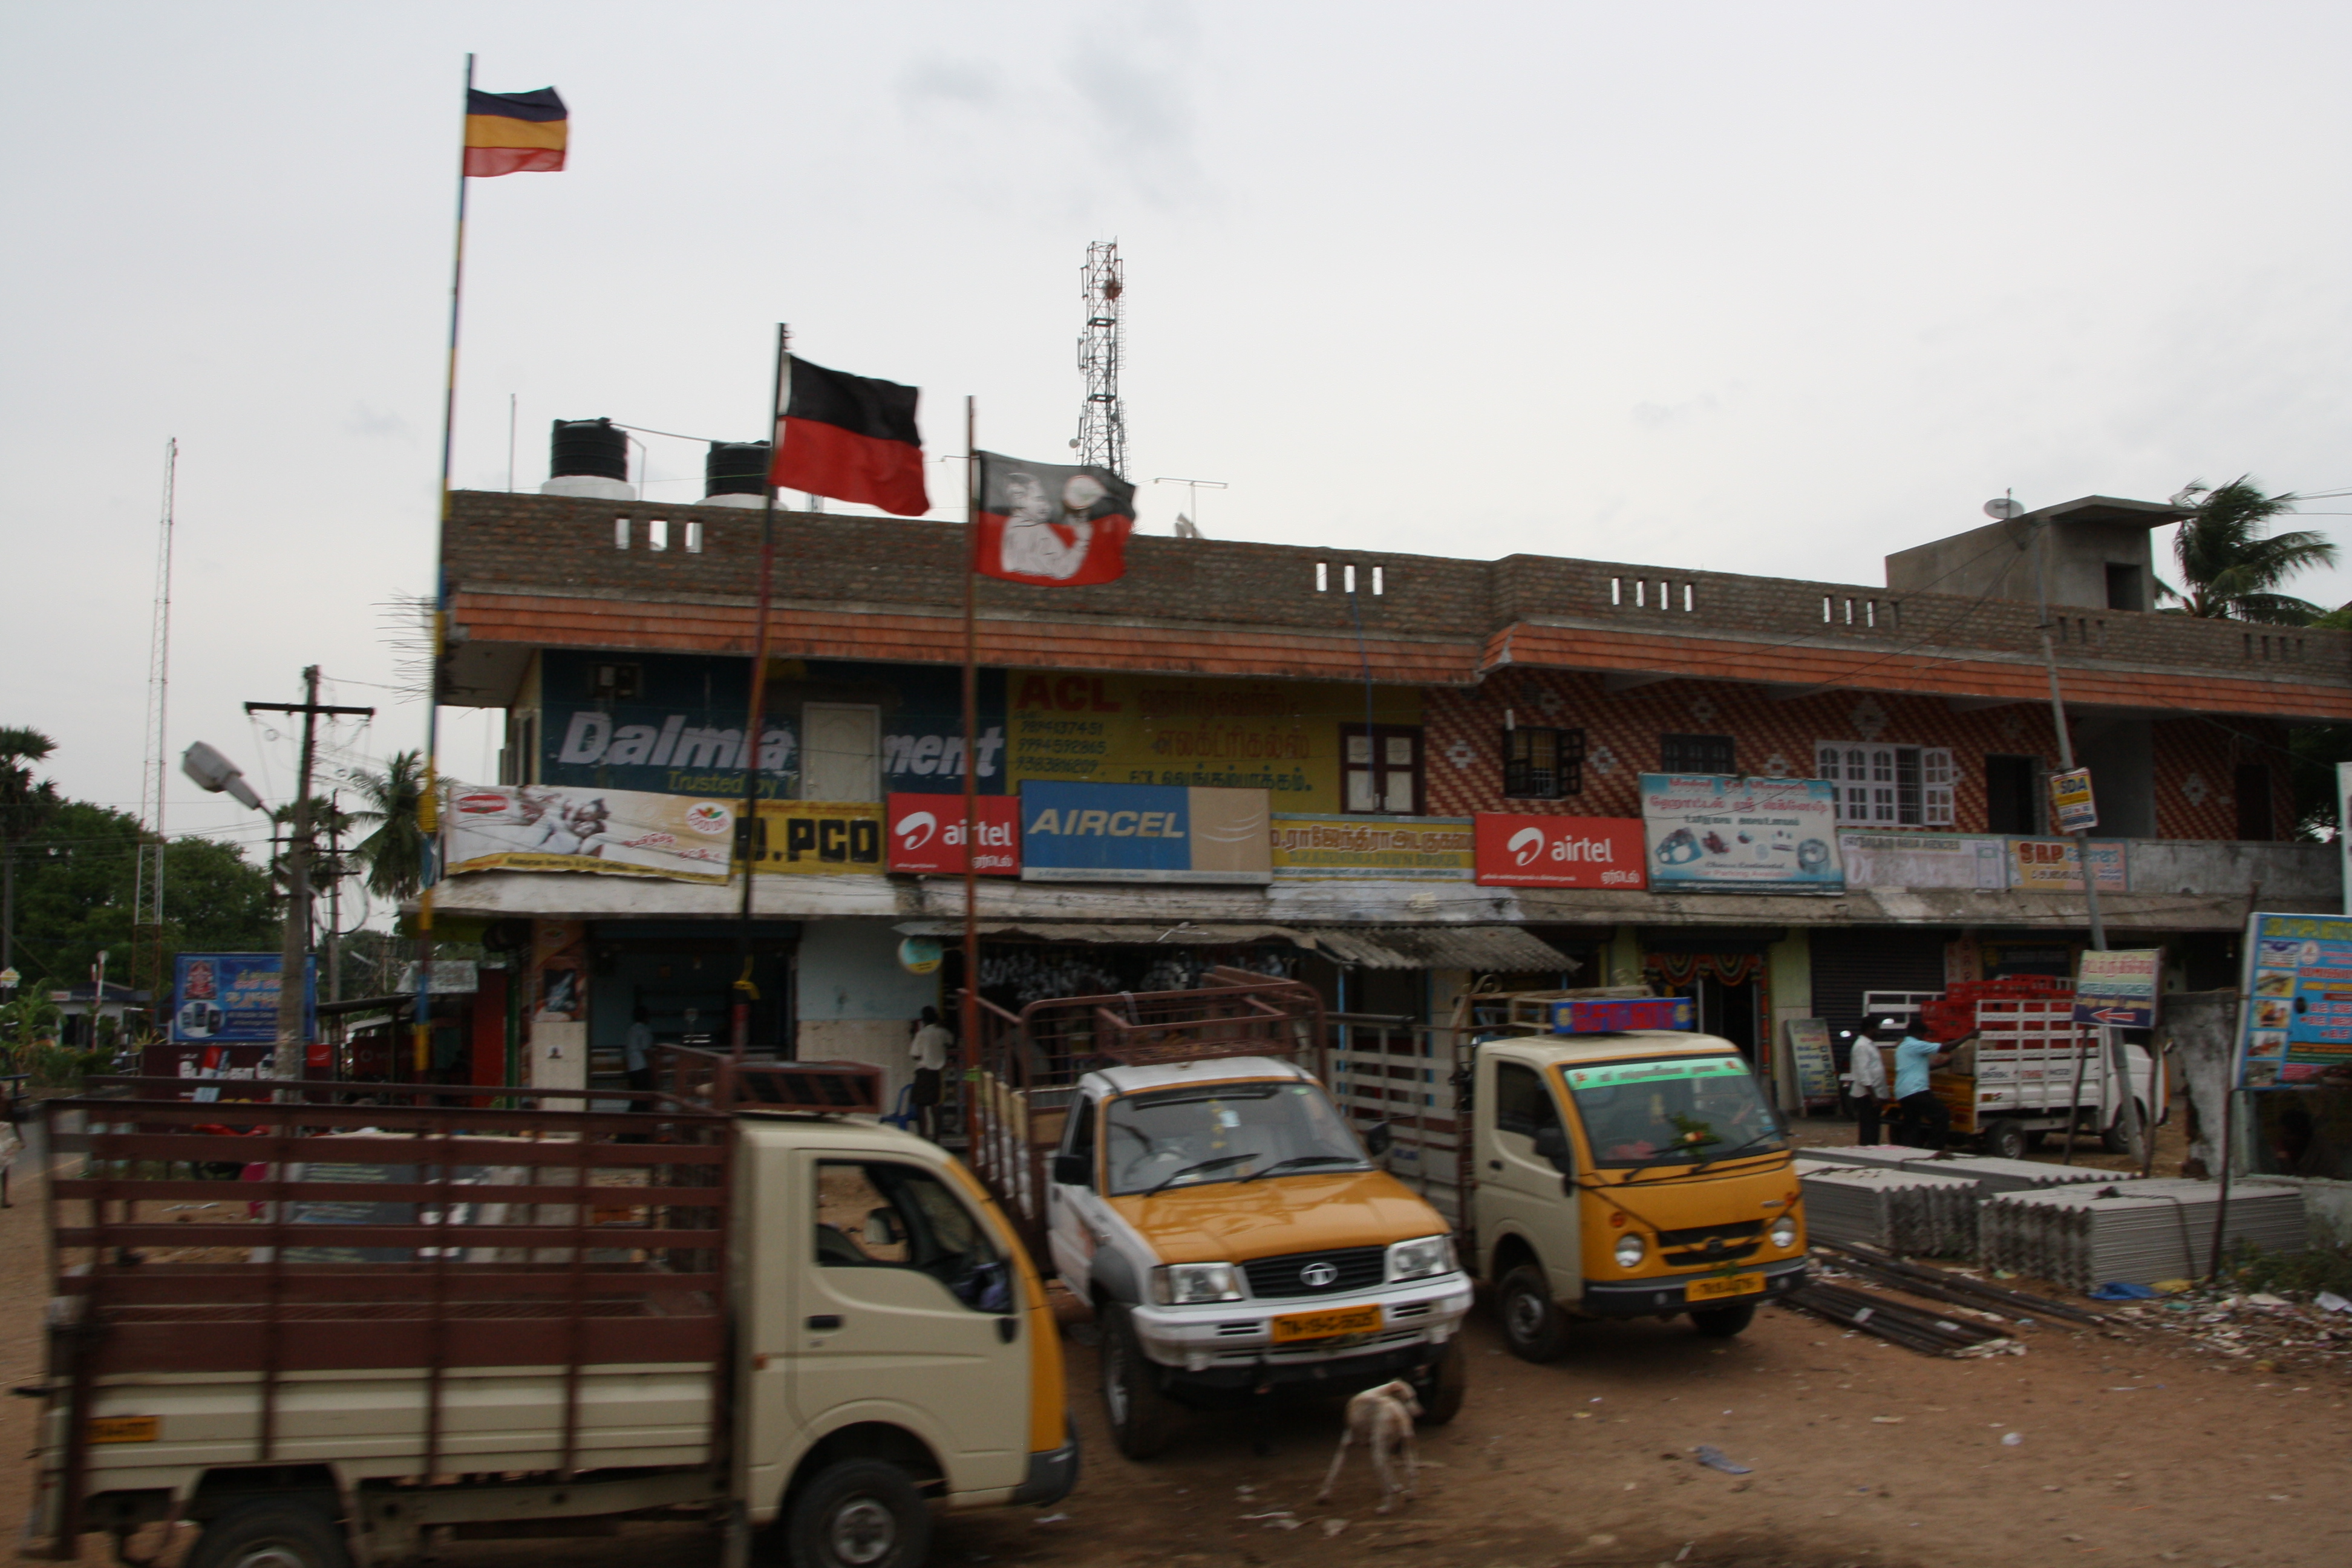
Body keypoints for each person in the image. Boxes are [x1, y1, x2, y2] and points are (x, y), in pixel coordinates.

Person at [1889, 1027, 1955, 1150]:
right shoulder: (1916, 1045)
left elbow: (1920, 1067)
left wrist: (1944, 1064)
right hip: (1916, 1090)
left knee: (1912, 1123)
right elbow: (1946, 1047)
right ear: (1918, 1033)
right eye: (1924, 1035)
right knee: (1942, 1115)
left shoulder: (1903, 1047)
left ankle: (1909, 1149)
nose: (1924, 1038)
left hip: (1903, 1092)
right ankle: (1934, 1148)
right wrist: (1969, 1036)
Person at [1844, 1021, 1894, 1146]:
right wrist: (1873, 1096)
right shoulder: (1862, 1046)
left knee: (1874, 1128)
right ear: (1870, 1029)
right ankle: (1867, 1151)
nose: (1879, 1033)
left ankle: (1872, 1150)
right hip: (1867, 1095)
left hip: (1873, 1094)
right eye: (1877, 1029)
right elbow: (1863, 1072)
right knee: (1868, 1129)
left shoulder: (1869, 1045)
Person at [909, 1006, 954, 1140]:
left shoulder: (921, 1034)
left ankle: (923, 1136)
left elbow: (915, 1055)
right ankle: (937, 1138)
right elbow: (950, 1042)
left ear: (923, 1020)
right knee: (936, 1106)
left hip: (923, 1072)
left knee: (921, 1106)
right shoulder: (943, 1032)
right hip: (938, 1073)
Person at [624, 1006, 656, 1108]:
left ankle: (634, 1113)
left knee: (636, 1094)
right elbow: (646, 1049)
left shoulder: (631, 1030)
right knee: (643, 1094)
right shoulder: (644, 1030)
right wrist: (652, 1062)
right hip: (641, 1065)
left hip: (632, 1065)